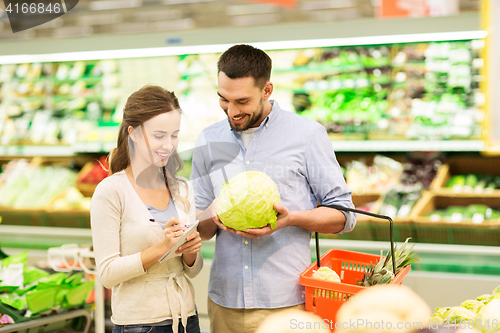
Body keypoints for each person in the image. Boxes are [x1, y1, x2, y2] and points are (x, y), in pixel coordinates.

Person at [190, 44, 356, 333]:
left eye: (242, 101)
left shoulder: (306, 135)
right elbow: (201, 229)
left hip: (286, 302)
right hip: (224, 301)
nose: (232, 111)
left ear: (267, 90)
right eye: (223, 100)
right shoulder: (208, 139)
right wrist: (208, 217)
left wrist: (291, 219)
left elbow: (344, 215)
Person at [90, 85, 203, 333]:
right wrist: (164, 246)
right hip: (138, 325)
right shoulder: (111, 191)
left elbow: (192, 270)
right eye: (159, 135)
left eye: (174, 135)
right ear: (134, 134)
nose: (169, 144)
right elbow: (107, 274)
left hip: (186, 319)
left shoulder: (182, 187)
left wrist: (190, 251)